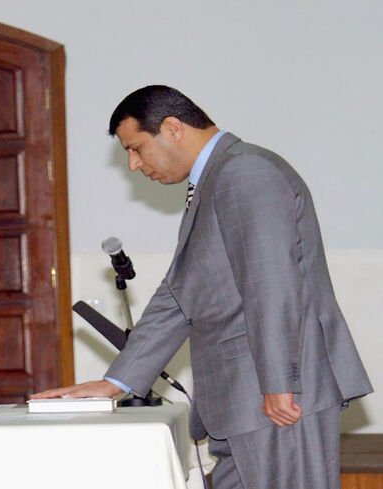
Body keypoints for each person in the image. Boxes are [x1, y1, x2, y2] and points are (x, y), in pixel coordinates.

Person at [32, 85, 372, 489]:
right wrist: (115, 383)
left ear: (172, 128)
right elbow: (179, 297)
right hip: (245, 405)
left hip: (278, 402)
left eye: (137, 148)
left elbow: (272, 282)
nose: (134, 165)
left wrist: (281, 382)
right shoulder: (215, 181)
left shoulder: (245, 172)